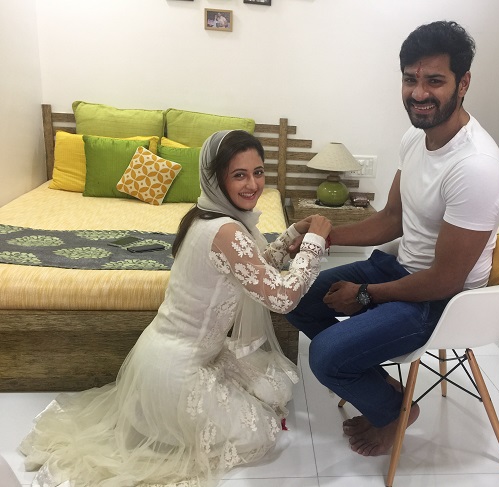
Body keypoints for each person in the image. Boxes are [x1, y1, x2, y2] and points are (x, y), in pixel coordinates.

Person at [20, 130, 332, 486]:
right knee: (258, 432)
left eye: (258, 172)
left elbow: (253, 269)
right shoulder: (226, 231)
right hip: (177, 374)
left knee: (274, 388)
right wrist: (314, 243)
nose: (252, 185)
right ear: (216, 178)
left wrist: (292, 234)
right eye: (239, 175)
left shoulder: (205, 217)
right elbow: (283, 297)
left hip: (169, 357)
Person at [286, 20, 499, 457]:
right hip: (400, 269)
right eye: (410, 79)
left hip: (443, 301)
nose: (419, 93)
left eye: (435, 81)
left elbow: (445, 279)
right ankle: (380, 386)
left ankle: (394, 412)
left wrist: (365, 295)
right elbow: (392, 218)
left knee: (325, 356)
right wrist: (323, 236)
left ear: (463, 83)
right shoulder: (415, 137)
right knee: (292, 295)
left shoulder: (476, 167)